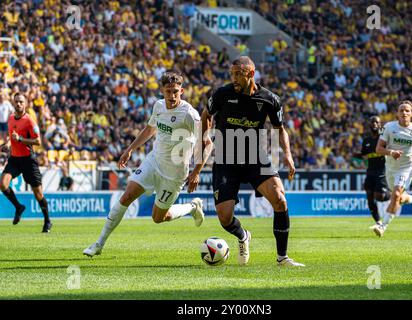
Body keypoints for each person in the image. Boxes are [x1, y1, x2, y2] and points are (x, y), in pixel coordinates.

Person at [83, 72, 207, 257]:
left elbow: (206, 143)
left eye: (175, 92)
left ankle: (192, 207)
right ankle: (99, 244)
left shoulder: (189, 114)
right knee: (126, 197)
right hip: (154, 162)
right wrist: (130, 149)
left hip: (174, 174)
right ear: (162, 91)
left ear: (182, 91)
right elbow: (150, 129)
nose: (172, 96)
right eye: (168, 92)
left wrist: (196, 172)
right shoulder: (158, 106)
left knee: (159, 218)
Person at [198, 56, 304, 267]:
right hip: (227, 159)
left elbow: (280, 129)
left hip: (255, 157)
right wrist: (205, 136)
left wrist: (288, 155)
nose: (234, 78)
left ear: (251, 73)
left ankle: (282, 257)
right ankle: (243, 236)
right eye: (232, 74)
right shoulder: (222, 94)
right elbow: (206, 114)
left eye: (239, 74)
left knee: (280, 200)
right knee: (225, 218)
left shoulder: (269, 99)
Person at [373, 101, 412, 237]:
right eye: (401, 110)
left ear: (411, 114)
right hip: (391, 167)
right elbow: (378, 149)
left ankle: (383, 226)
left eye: (407, 111)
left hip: (407, 167)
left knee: (396, 195)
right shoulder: (388, 127)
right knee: (398, 197)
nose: (404, 113)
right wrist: (391, 152)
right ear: (397, 114)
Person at [0, 92, 52, 232]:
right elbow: (12, 138)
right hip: (15, 159)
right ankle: (18, 207)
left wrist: (21, 140)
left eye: (21, 102)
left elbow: (38, 141)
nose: (18, 104)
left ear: (25, 104)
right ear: (13, 102)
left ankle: (47, 221)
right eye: (16, 101)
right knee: (3, 184)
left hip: (28, 160)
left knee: (38, 194)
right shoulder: (10, 119)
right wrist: (8, 145)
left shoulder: (29, 121)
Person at [353, 116, 391, 227]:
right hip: (370, 171)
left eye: (377, 122)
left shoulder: (383, 138)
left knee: (380, 196)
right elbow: (364, 155)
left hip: (382, 170)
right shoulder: (366, 141)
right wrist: (356, 156)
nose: (374, 124)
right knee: (369, 196)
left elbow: (387, 136)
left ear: (380, 125)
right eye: (372, 122)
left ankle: (394, 195)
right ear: (369, 125)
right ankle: (378, 222)